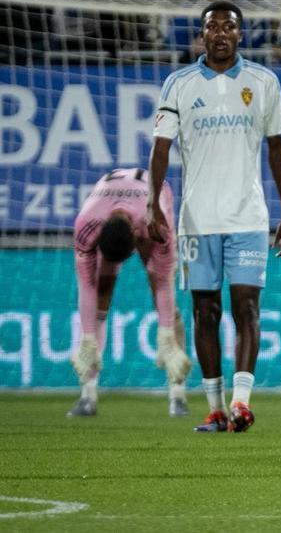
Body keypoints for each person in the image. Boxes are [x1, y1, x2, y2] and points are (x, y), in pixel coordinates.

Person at [147, 0, 281, 433]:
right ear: (201, 34)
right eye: (212, 27)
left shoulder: (263, 81)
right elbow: (161, 148)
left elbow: (276, 148)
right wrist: (152, 202)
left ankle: (242, 404)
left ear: (240, 34)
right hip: (197, 219)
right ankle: (214, 408)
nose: (219, 34)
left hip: (248, 217)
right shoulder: (178, 84)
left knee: (246, 307)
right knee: (205, 312)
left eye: (228, 27)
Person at [68, 167, 192, 418]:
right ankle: (87, 395)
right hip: (113, 204)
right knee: (101, 294)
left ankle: (177, 394)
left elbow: (165, 282)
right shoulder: (86, 225)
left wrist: (166, 333)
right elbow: (86, 285)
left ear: (137, 238)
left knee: (160, 289)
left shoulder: (157, 225)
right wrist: (87, 337)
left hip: (153, 200)